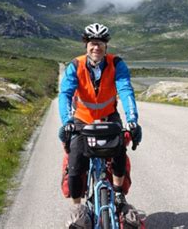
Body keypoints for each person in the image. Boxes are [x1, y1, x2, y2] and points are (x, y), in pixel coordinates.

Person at [58, 23, 142, 214]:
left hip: (109, 117)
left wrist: (132, 119)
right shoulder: (75, 66)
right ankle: (78, 208)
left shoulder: (116, 64)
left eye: (100, 43)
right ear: (86, 45)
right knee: (75, 164)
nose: (96, 47)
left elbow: (125, 89)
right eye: (92, 43)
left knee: (119, 150)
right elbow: (65, 94)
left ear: (106, 46)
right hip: (81, 119)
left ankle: (119, 192)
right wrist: (67, 121)